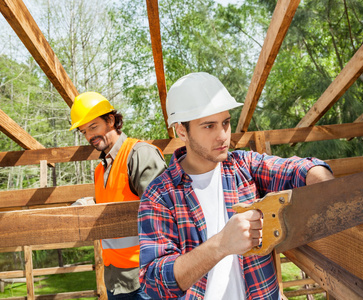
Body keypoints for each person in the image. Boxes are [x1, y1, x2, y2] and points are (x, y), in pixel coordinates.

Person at [137, 72, 334, 299]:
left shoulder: (245, 166)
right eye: (209, 126)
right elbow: (154, 283)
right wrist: (221, 244)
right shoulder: (160, 196)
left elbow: (299, 169)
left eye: (226, 122)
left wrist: (323, 183)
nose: (223, 135)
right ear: (182, 130)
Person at [69, 91, 166, 300]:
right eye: (83, 131)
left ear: (111, 120)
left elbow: (163, 212)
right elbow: (118, 201)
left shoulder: (139, 154)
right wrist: (90, 204)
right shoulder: (100, 170)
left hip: (145, 279)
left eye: (93, 127)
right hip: (115, 280)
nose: (89, 137)